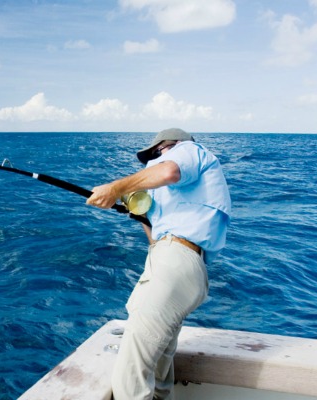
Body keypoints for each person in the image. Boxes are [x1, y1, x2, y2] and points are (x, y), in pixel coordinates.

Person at [86, 128, 231, 399]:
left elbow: (168, 172)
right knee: (160, 373)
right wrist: (139, 211)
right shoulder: (178, 195)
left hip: (176, 261)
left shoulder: (188, 151)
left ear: (170, 145)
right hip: (176, 261)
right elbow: (156, 240)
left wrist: (116, 187)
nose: (154, 159)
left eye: (156, 152)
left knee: (131, 374)